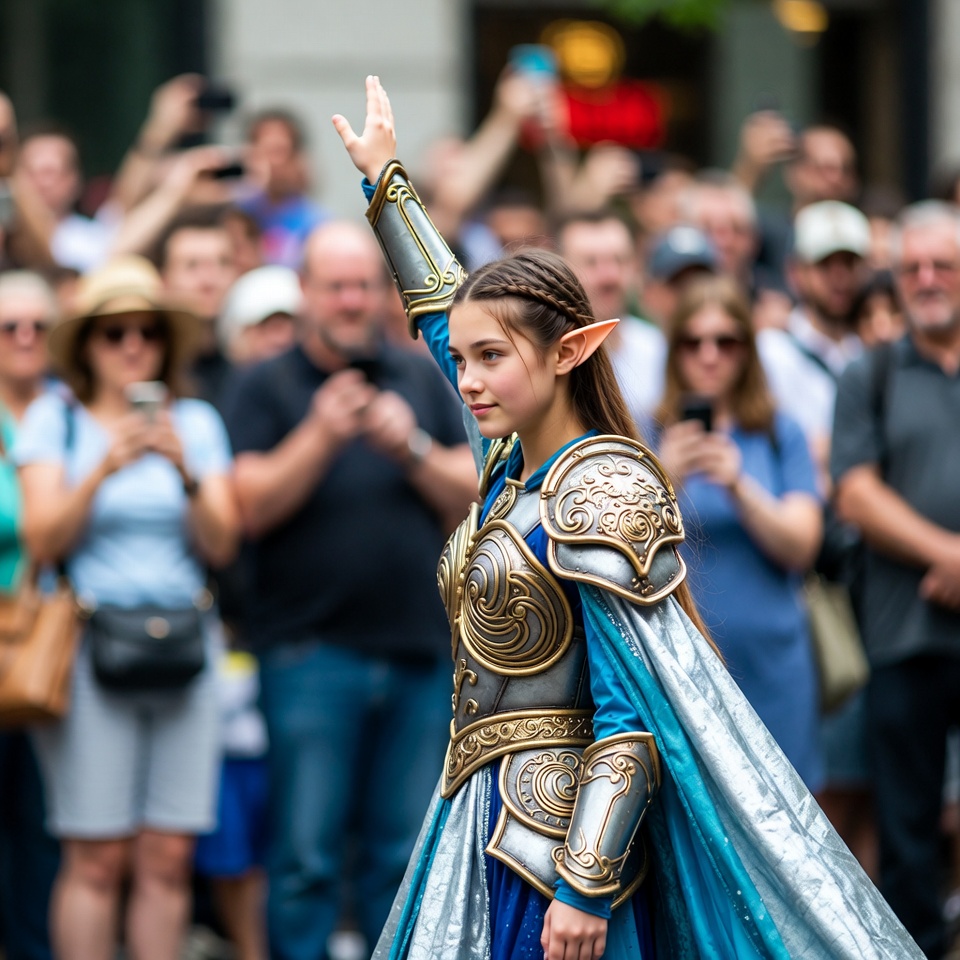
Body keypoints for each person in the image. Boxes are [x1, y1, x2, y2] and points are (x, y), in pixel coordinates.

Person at [331, 74, 923, 960]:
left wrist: (584, 884)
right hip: (476, 817)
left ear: (571, 354)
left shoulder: (602, 485)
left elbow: (631, 713)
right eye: (464, 359)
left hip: (554, 847)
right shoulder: (508, 466)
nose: (469, 378)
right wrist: (387, 182)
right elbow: (443, 312)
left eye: (493, 357)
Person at [223, 219, 477, 960]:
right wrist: (322, 434)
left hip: (418, 654)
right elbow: (248, 506)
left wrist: (414, 449)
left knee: (401, 859)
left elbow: (477, 493)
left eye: (365, 284)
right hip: (309, 656)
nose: (351, 299)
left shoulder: (420, 372)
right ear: (304, 292)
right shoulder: (264, 384)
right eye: (335, 285)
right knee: (304, 859)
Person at [12, 255, 239, 960]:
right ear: (87, 345)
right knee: (96, 856)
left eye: (146, 331)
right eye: (114, 332)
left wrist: (185, 473)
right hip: (90, 648)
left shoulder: (196, 422)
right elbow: (42, 538)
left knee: (169, 855)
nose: (132, 345)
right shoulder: (58, 420)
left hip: (185, 646)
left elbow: (224, 544)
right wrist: (104, 468)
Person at [832, 201, 960, 958]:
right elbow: (854, 491)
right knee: (907, 836)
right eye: (911, 267)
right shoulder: (871, 372)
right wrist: (948, 555)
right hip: (903, 634)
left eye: (942, 265)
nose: (926, 279)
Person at [654, 275, 824, 789]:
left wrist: (739, 486)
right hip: (683, 670)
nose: (709, 356)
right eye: (693, 342)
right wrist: (668, 476)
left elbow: (802, 545)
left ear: (747, 351)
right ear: (674, 350)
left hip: (774, 665)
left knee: (791, 827)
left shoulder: (779, 433)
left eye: (726, 341)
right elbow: (617, 546)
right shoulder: (644, 430)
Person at [0, 271, 61, 960]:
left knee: (45, 824)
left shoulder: (70, 412)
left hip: (51, 644)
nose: (23, 339)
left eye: (37, 326)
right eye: (8, 327)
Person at [556, 210, 666, 425]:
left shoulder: (659, 348)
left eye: (619, 260)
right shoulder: (545, 356)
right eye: (591, 262)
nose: (610, 276)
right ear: (559, 271)